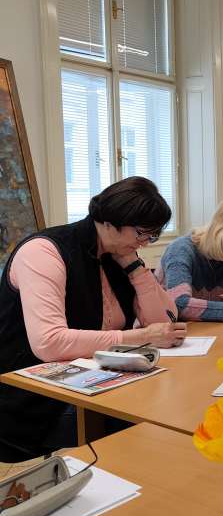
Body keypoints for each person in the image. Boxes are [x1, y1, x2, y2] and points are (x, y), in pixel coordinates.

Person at [0, 176, 186, 459]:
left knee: (165, 398)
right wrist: (140, 337)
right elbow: (49, 343)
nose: (145, 243)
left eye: (152, 236)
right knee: (142, 417)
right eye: (141, 234)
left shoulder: (116, 254)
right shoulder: (44, 252)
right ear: (109, 222)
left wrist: (136, 269)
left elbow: (163, 322)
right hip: (30, 400)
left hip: (92, 379)